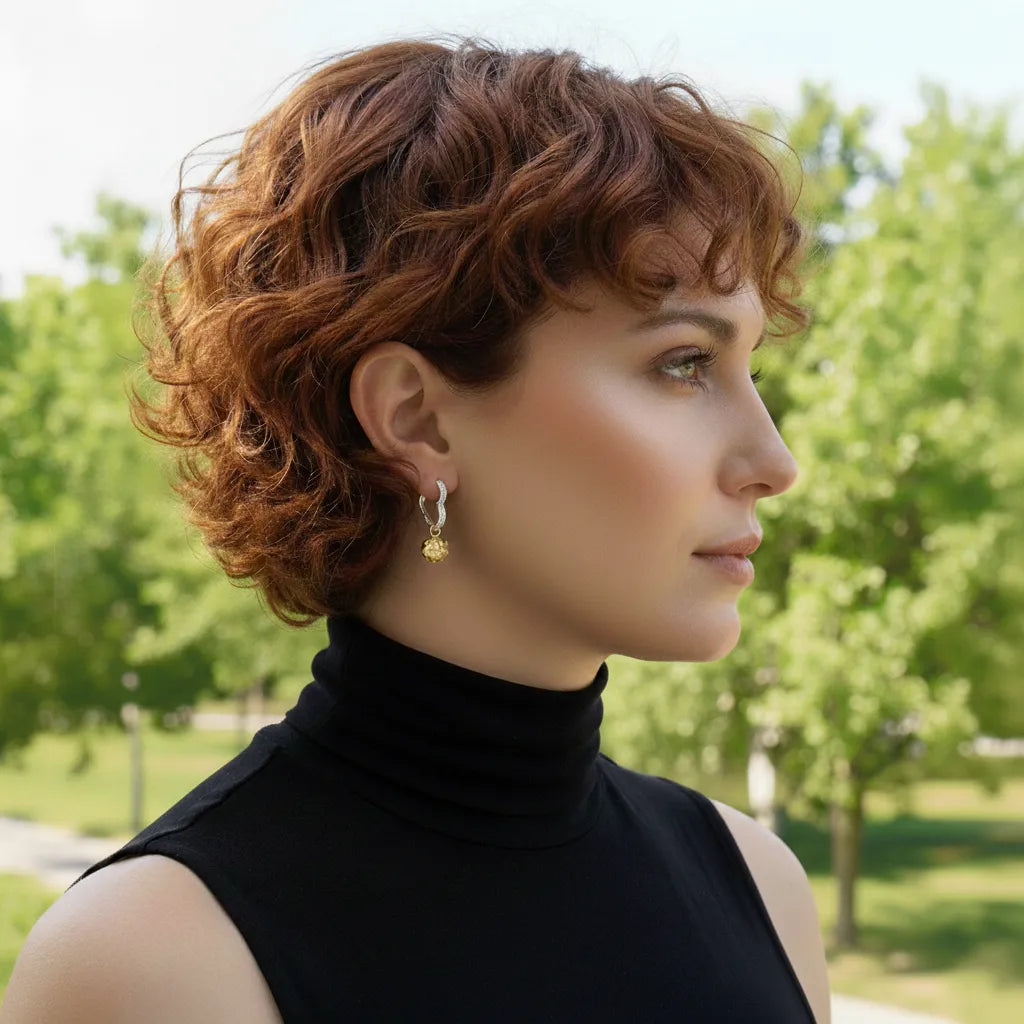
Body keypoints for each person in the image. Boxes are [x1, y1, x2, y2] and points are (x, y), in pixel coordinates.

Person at [1, 37, 831, 1023]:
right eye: (684, 363)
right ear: (416, 419)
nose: (774, 461)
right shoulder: (153, 965)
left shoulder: (760, 887)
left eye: (749, 369)